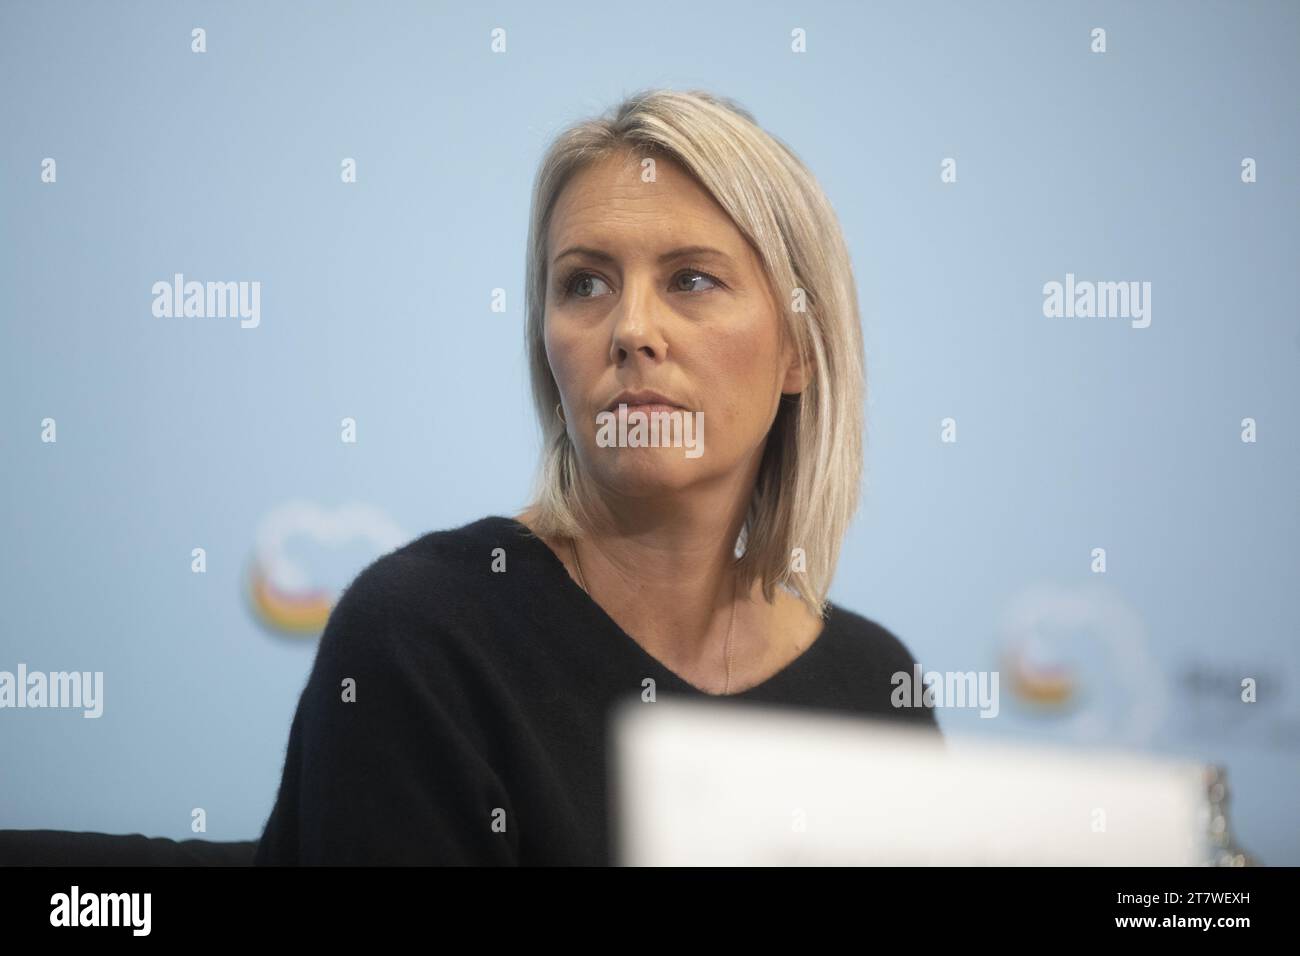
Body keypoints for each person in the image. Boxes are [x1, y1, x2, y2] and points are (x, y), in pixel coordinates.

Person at [254, 88, 940, 866]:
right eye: (584, 283)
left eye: (690, 280)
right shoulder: (421, 634)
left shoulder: (875, 684)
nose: (632, 331)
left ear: (799, 350)